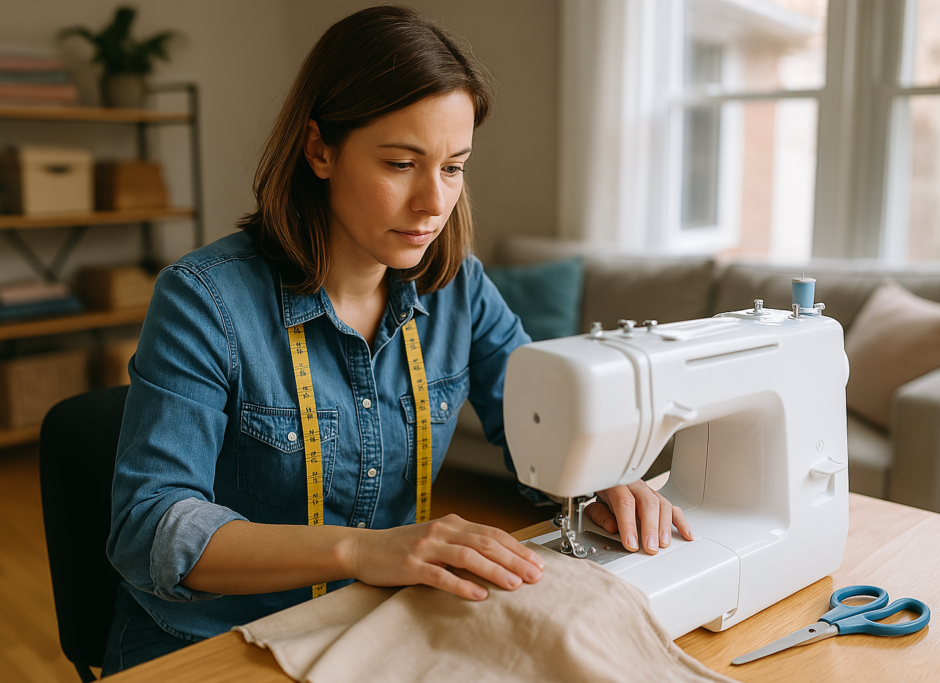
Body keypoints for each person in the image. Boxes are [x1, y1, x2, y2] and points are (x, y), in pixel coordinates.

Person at [103, 5, 692, 675]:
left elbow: (539, 421)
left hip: (370, 626)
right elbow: (147, 528)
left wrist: (601, 478)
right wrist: (361, 551)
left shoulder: (459, 289)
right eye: (402, 163)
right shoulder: (204, 300)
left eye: (453, 167)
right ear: (319, 148)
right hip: (213, 644)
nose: (433, 204)